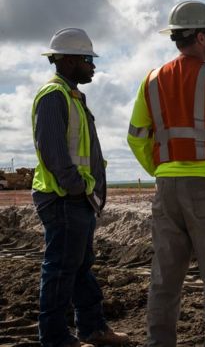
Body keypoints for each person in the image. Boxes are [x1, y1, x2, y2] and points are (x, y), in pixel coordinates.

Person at [127, 0, 205, 346]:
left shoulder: (150, 81)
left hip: (167, 190)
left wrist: (163, 169)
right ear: (199, 37)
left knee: (164, 278)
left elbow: (136, 136)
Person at [32, 28, 129, 347]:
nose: (93, 65)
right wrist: (76, 188)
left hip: (77, 199)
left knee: (79, 266)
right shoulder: (53, 96)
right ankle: (56, 338)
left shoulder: (72, 95)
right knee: (60, 269)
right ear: (70, 60)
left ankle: (92, 328)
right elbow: (53, 150)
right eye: (88, 59)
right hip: (63, 199)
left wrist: (86, 193)